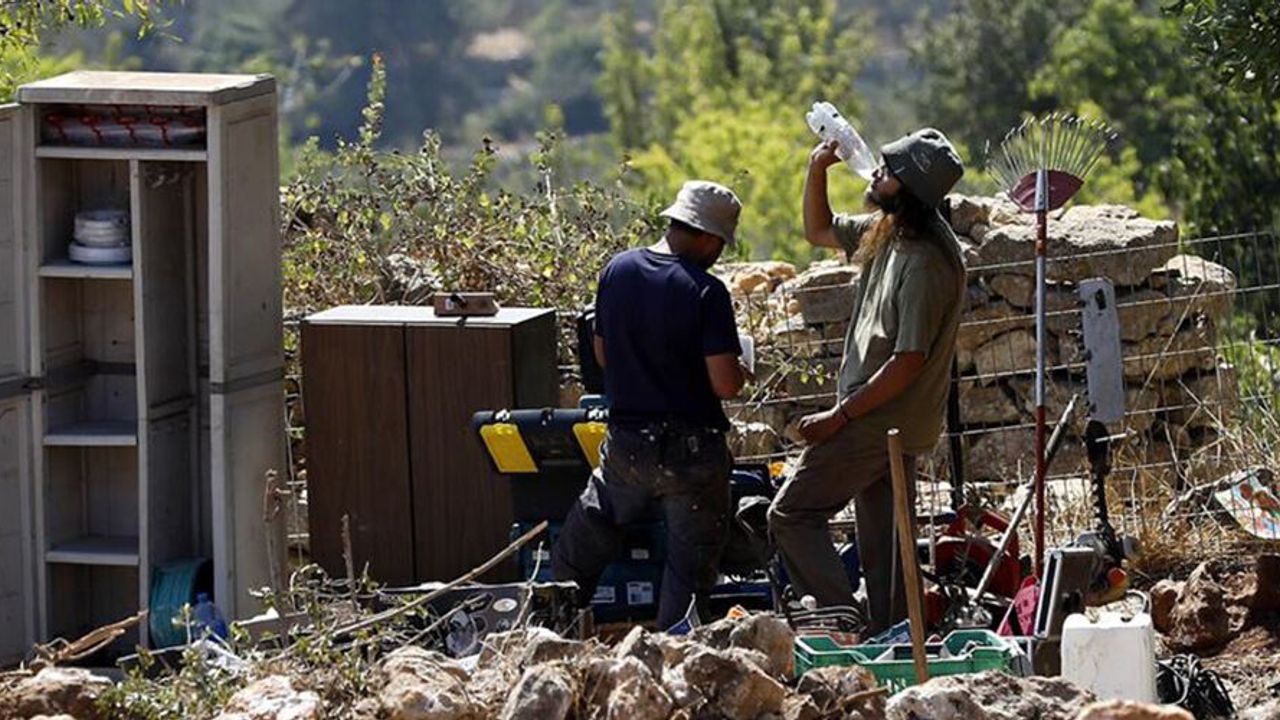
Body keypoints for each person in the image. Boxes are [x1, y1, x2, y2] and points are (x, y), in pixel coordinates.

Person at [768, 128, 966, 633]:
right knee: (885, 549)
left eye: (888, 171)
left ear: (911, 190)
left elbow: (908, 361)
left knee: (791, 515)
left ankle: (841, 618)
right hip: (883, 421)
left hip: (879, 420)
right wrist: (817, 169)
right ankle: (896, 640)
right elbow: (819, 231)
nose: (876, 174)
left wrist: (841, 416)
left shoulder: (924, 262)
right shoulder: (891, 230)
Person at [552, 180, 749, 629]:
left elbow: (602, 355)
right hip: (692, 454)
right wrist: (740, 368)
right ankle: (674, 652)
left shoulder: (617, 270)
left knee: (587, 536)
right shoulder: (707, 291)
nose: (719, 252)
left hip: (627, 446)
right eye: (720, 243)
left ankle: (550, 628)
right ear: (706, 236)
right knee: (688, 569)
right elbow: (725, 384)